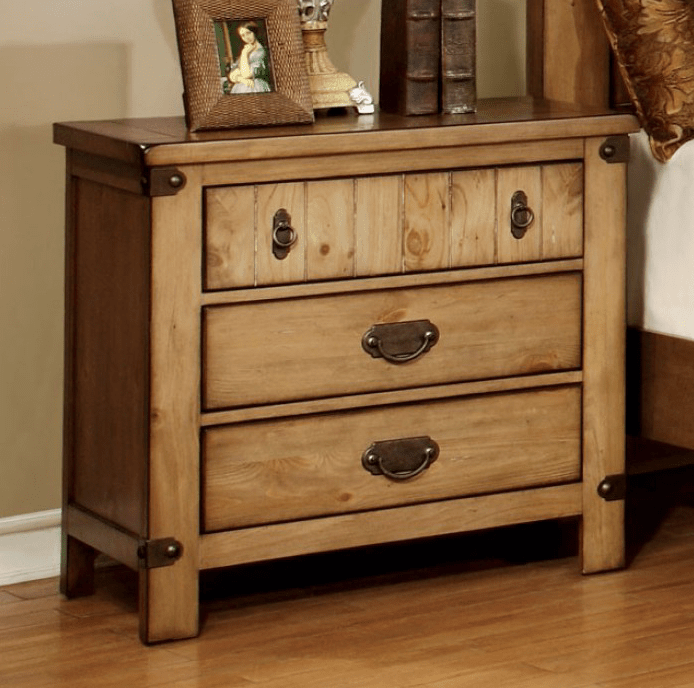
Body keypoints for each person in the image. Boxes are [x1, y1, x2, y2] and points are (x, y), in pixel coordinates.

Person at [225, 22, 272, 94]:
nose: (246, 37)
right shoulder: (247, 49)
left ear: (254, 32)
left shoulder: (261, 51)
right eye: (243, 35)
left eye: (248, 33)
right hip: (242, 87)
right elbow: (232, 76)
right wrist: (242, 80)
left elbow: (246, 74)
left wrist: (244, 53)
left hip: (256, 87)